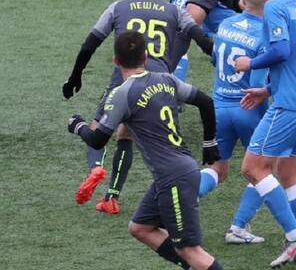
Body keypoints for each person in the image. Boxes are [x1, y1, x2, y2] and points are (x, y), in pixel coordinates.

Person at [62, 0, 213, 214]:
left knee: (100, 127)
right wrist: (214, 53)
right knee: (129, 135)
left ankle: (96, 168)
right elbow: (197, 35)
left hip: (125, 77)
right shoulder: (173, 10)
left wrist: (75, 75)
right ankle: (112, 196)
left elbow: (91, 42)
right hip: (161, 82)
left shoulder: (118, 7)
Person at [67, 30, 224, 270]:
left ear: (116, 61)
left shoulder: (122, 93)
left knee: (189, 249)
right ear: (146, 56)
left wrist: (77, 126)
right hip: (175, 172)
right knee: (140, 228)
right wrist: (209, 142)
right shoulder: (166, 79)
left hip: (174, 176)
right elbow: (205, 101)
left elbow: (98, 139)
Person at [231, 0, 296, 266]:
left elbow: (281, 51)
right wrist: (267, 89)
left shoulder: (274, 7)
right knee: (288, 172)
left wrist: (250, 64)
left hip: (291, 103)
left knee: (253, 167)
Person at [199, 0, 270, 244]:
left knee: (217, 169)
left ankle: (179, 204)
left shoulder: (225, 25)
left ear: (243, 2)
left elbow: (216, 60)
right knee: (263, 170)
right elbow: (259, 85)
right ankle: (239, 228)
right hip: (248, 109)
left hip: (218, 107)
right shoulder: (265, 34)